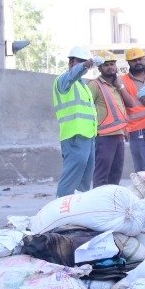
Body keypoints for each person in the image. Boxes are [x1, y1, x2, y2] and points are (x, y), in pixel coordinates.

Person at [52, 45, 97, 198]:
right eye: (81, 62)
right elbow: (71, 76)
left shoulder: (82, 85)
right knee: (71, 175)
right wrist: (84, 65)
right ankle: (61, 207)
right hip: (74, 135)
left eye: (86, 62)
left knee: (84, 179)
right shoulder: (63, 81)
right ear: (71, 63)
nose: (85, 65)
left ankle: (78, 208)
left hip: (88, 136)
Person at [90, 53, 138, 187]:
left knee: (115, 174)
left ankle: (111, 203)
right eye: (106, 65)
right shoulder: (95, 85)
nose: (110, 67)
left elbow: (130, 104)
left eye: (112, 64)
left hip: (119, 135)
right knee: (101, 174)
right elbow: (87, 108)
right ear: (99, 68)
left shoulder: (118, 84)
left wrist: (120, 87)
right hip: (104, 137)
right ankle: (99, 203)